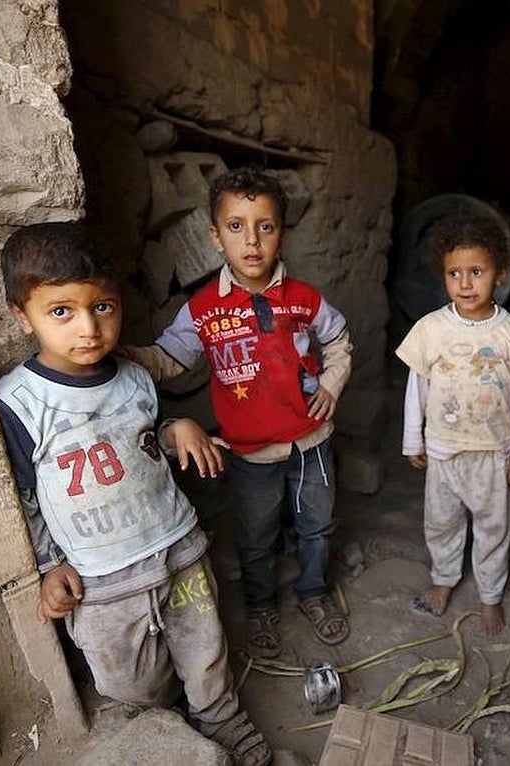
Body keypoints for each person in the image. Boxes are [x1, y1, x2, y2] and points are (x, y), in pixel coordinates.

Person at [0, 222, 272, 766]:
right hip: (102, 577)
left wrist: (179, 430)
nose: (89, 328)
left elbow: (148, 436)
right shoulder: (21, 401)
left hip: (177, 546)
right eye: (61, 311)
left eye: (103, 307)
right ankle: (164, 724)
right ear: (19, 314)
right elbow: (25, 497)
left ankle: (221, 718)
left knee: (204, 648)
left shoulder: (135, 375)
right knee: (132, 682)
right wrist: (50, 566)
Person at [121, 165, 352, 659]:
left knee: (317, 523)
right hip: (252, 453)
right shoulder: (204, 310)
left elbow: (338, 339)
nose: (252, 241)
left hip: (313, 440)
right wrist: (120, 353)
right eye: (235, 227)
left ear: (281, 233)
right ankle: (262, 604)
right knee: (256, 534)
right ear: (214, 236)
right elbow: (169, 360)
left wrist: (332, 384)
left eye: (265, 226)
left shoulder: (304, 299)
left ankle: (313, 591)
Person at [396, 212, 510, 635]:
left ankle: (490, 595)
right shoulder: (430, 329)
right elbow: (417, 387)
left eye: (476, 272)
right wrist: (414, 440)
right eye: (454, 273)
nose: (465, 284)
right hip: (444, 452)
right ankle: (443, 579)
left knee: (493, 528)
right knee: (441, 523)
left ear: (500, 273)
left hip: (493, 456)